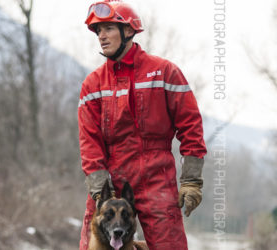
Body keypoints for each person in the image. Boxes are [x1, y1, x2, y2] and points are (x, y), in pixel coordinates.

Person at [78, 1, 207, 249]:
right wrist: (100, 193)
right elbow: (89, 144)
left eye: (107, 29)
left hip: (157, 182)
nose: (101, 37)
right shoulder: (92, 85)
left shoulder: (164, 72)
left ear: (128, 31)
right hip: (111, 186)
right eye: (98, 32)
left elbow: (191, 127)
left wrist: (191, 180)